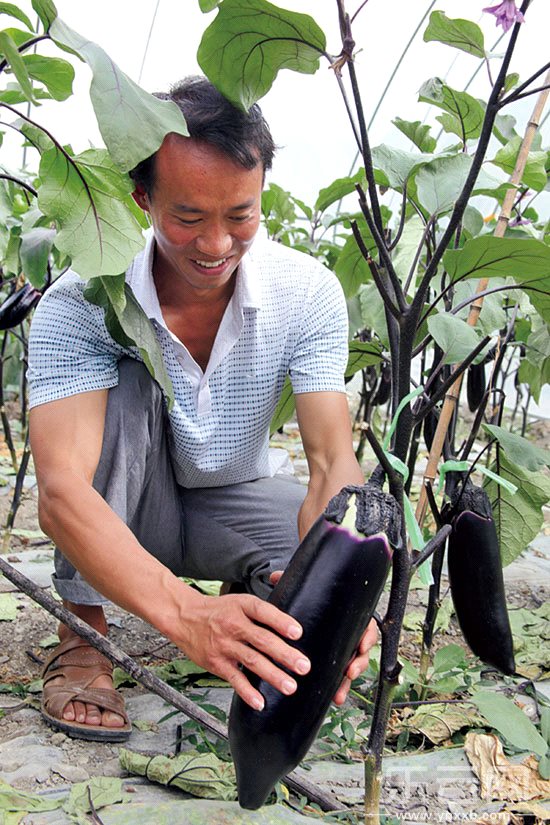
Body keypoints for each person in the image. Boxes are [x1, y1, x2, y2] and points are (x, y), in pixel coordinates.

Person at [28, 76, 377, 742]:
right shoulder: (83, 301)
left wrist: (344, 588)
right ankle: (84, 636)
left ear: (262, 190)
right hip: (128, 506)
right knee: (125, 387)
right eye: (187, 217)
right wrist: (183, 618)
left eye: (239, 215)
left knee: (324, 579)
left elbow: (332, 458)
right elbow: (61, 492)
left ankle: (243, 605)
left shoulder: (305, 293)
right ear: (143, 200)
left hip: (234, 499)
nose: (215, 244)